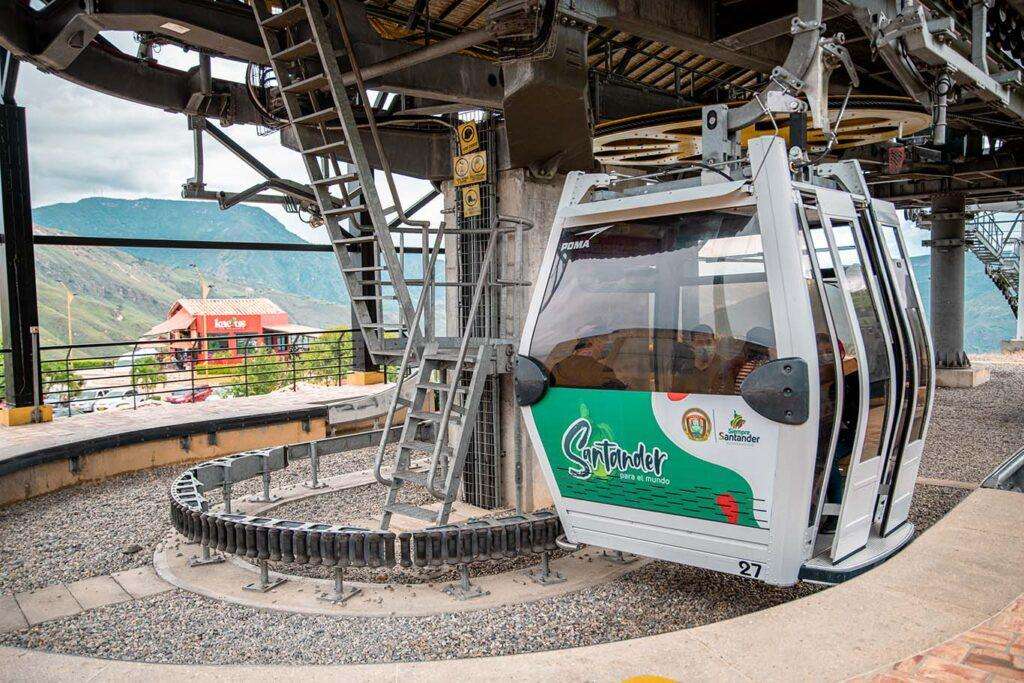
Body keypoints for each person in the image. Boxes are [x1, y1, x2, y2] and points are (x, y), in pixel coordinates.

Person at [550, 337, 626, 389]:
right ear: (589, 347)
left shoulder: (558, 367)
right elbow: (617, 387)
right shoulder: (600, 370)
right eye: (601, 342)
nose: (604, 347)